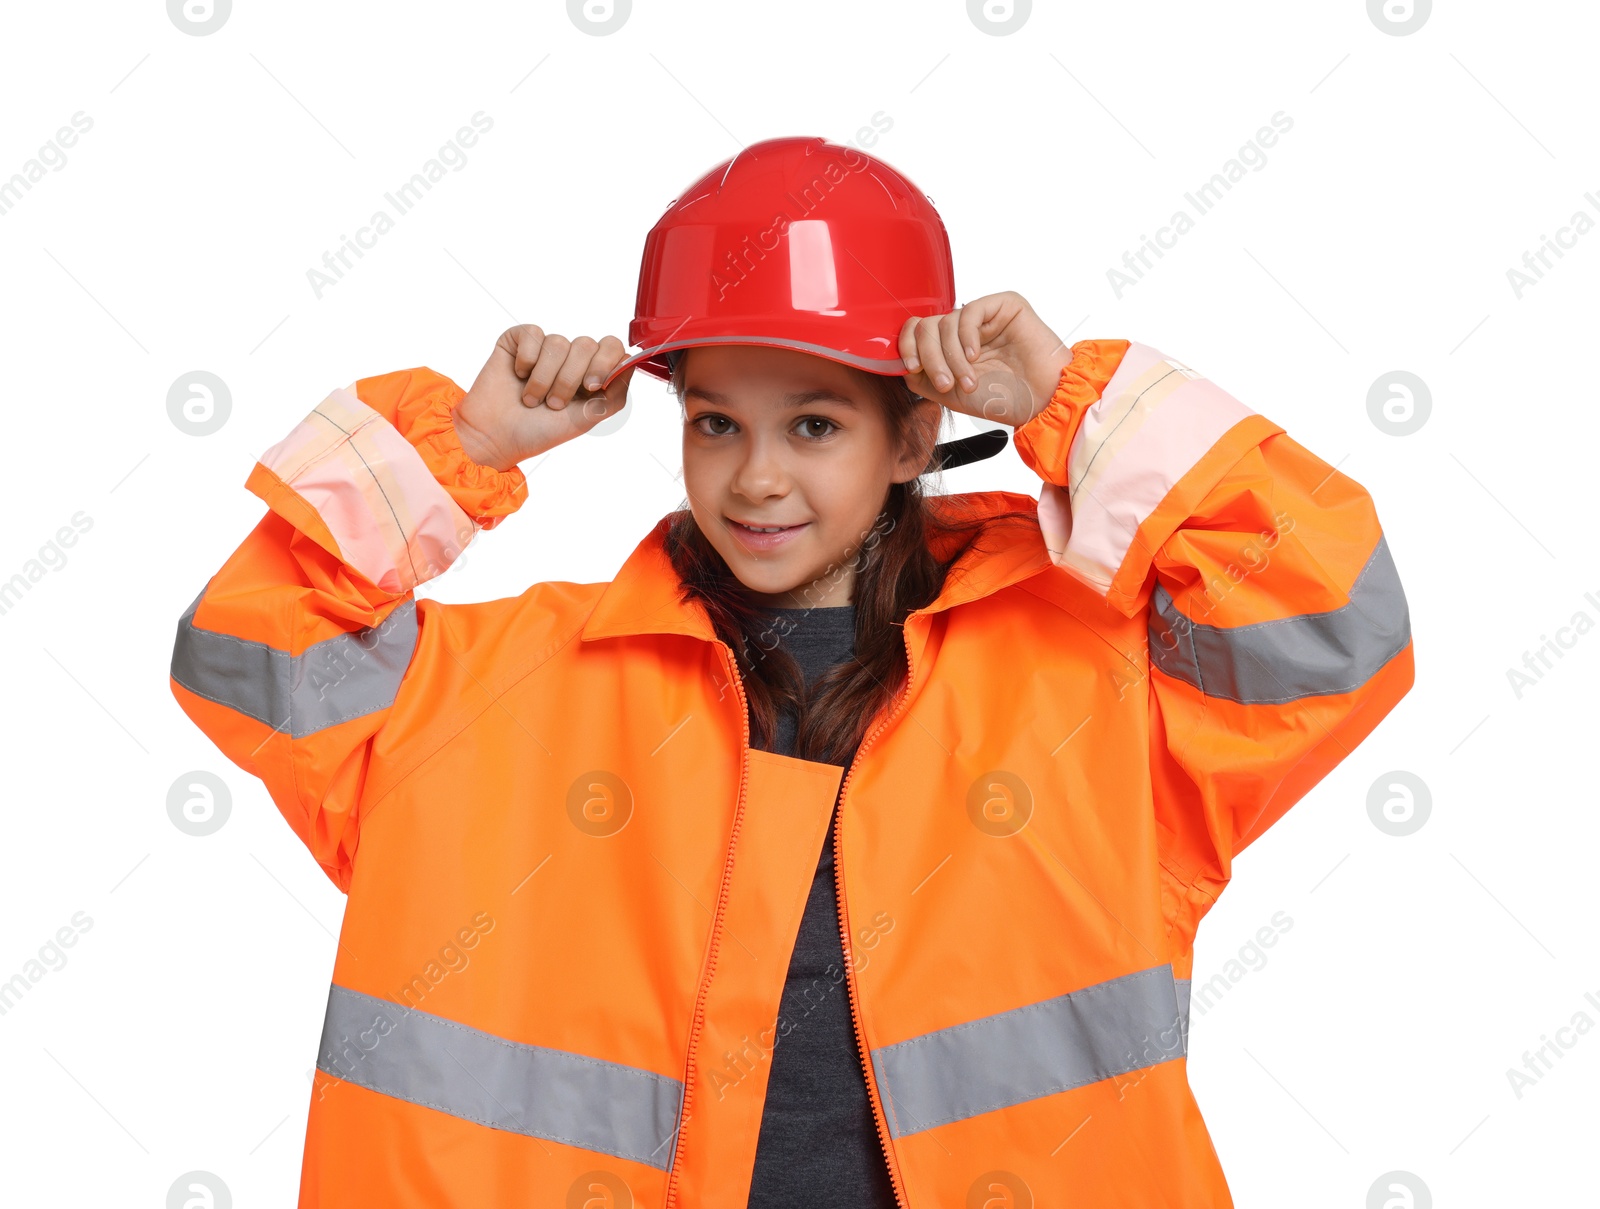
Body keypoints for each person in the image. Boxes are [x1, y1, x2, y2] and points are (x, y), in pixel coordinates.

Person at [169, 137, 1415, 1208]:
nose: (755, 477)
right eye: (716, 421)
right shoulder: (503, 689)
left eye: (813, 423)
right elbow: (249, 651)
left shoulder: (1085, 677)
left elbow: (1324, 621)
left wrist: (1072, 402)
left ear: (913, 432)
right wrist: (466, 446)